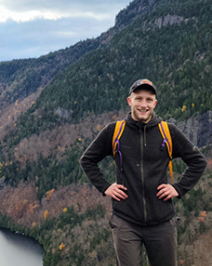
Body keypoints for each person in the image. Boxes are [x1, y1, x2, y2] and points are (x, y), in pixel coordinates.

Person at [80, 79, 207, 266]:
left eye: (148, 100)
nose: (143, 104)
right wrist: (105, 187)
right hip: (126, 221)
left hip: (162, 221)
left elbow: (198, 161)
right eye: (138, 98)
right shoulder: (114, 131)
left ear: (154, 103)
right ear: (129, 101)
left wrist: (178, 188)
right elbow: (87, 160)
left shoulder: (167, 131)